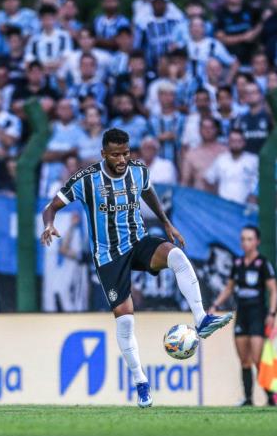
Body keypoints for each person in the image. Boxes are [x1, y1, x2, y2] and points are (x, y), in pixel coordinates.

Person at [41, 128, 232, 408]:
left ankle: (202, 319)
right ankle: (141, 382)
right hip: (108, 256)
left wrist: (165, 222)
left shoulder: (138, 171)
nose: (121, 159)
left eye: (125, 153)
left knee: (176, 256)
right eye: (115, 154)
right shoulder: (86, 179)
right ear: (103, 153)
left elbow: (148, 190)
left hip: (137, 241)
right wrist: (49, 224)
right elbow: (51, 206)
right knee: (126, 320)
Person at [209, 225, 277, 406]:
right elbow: (229, 288)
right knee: (244, 360)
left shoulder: (263, 263)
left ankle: (270, 397)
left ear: (257, 241)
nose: (245, 243)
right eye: (243, 239)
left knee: (257, 358)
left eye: (249, 239)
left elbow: (273, 290)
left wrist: (272, 313)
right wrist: (215, 305)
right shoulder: (237, 263)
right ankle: (248, 399)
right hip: (242, 314)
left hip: (257, 314)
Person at [203, 129, 258, 204]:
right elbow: (209, 179)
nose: (235, 144)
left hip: (245, 207)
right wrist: (214, 197)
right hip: (223, 207)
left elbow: (262, 182)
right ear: (228, 142)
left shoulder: (253, 160)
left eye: (239, 141)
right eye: (232, 141)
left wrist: (254, 196)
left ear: (244, 142)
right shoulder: (221, 160)